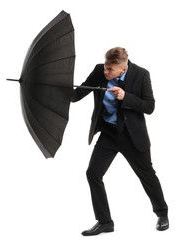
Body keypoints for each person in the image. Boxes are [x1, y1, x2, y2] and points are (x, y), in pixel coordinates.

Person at [72, 47, 169, 236]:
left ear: (123, 69)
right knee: (93, 173)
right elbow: (76, 95)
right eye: (105, 67)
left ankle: (162, 213)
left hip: (132, 136)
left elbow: (150, 107)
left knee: (147, 175)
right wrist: (53, 86)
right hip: (108, 135)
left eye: (110, 70)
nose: (105, 72)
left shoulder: (141, 75)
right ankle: (105, 222)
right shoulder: (100, 71)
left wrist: (127, 97)